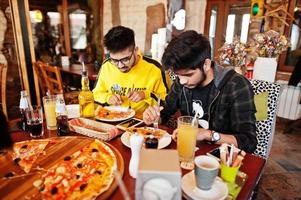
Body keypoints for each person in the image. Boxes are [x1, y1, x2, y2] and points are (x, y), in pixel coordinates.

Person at [143, 31, 257, 153]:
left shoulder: (236, 85)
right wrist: (154, 117)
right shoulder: (181, 82)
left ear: (206, 65)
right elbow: (165, 112)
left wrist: (208, 134)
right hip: (189, 151)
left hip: (222, 159)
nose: (181, 81)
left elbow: (249, 142)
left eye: (188, 75)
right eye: (178, 75)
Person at [93, 26, 168, 114]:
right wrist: (108, 97)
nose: (120, 65)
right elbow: (95, 94)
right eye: (115, 60)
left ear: (135, 50)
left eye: (125, 59)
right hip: (113, 117)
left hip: (143, 122)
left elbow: (166, 103)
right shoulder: (107, 66)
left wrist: (146, 95)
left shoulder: (154, 68)